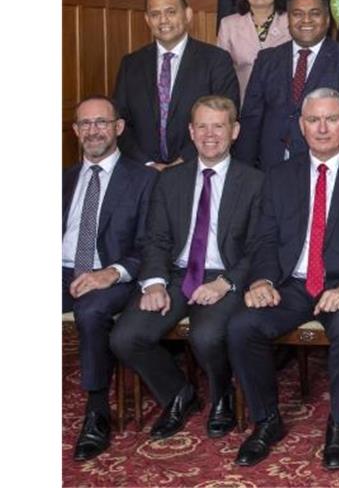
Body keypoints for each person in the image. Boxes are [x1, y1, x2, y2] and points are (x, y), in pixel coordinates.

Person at [227, 88, 339, 470]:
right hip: (292, 284)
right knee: (242, 326)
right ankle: (267, 421)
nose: (322, 128)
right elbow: (265, 238)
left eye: (331, 119)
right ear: (301, 127)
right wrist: (262, 280)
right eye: (314, 120)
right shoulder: (280, 176)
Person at [110, 96, 262, 441]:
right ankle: (178, 394)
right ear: (191, 132)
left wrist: (226, 283)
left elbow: (260, 248)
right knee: (125, 337)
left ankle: (222, 394)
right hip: (177, 275)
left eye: (219, 126)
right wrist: (153, 283)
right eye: (203, 127)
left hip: (223, 277)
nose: (210, 135)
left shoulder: (255, 182)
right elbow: (156, 239)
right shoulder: (170, 180)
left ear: (234, 131)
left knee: (206, 336)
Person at [64, 96, 157, 461]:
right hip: (61, 268)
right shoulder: (63, 178)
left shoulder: (144, 179)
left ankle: (96, 412)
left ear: (118, 128)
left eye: (101, 122)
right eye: (85, 124)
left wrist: (110, 272)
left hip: (114, 275)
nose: (93, 131)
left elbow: (150, 244)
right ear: (75, 131)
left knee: (90, 311)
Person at [234, 0, 339, 169]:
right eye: (297, 14)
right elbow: (251, 120)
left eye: (314, 14)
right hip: (270, 168)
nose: (306, 20)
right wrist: (246, 171)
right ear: (288, 21)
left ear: (327, 20)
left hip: (328, 169)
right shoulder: (267, 60)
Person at [114, 0, 240, 169]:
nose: (163, 20)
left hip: (197, 167)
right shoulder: (130, 64)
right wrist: (147, 163)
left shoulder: (216, 60)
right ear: (147, 20)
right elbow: (120, 121)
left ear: (188, 15)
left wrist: (182, 162)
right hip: (143, 171)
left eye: (171, 12)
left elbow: (226, 118)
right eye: (155, 14)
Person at [216, 0, 292, 101]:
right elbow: (221, 70)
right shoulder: (229, 24)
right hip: (242, 100)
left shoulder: (291, 22)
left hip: (284, 99)